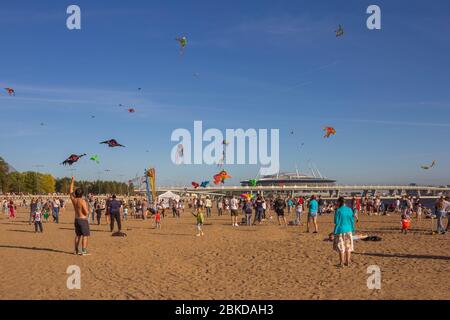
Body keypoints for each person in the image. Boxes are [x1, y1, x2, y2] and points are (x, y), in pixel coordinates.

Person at [69, 177, 90, 255]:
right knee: (85, 235)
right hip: (83, 219)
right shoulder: (82, 201)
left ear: (76, 193)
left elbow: (70, 191)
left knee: (78, 235)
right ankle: (84, 250)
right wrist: (88, 211)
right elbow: (85, 212)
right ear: (82, 194)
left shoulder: (73, 199)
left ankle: (76, 250)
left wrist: (72, 181)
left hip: (76, 219)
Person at [333, 197, 355, 267]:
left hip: (340, 230)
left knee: (341, 247)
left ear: (339, 202)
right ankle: (348, 262)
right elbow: (352, 220)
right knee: (348, 247)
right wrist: (352, 229)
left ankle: (341, 263)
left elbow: (336, 221)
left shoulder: (338, 210)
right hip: (348, 229)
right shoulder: (349, 210)